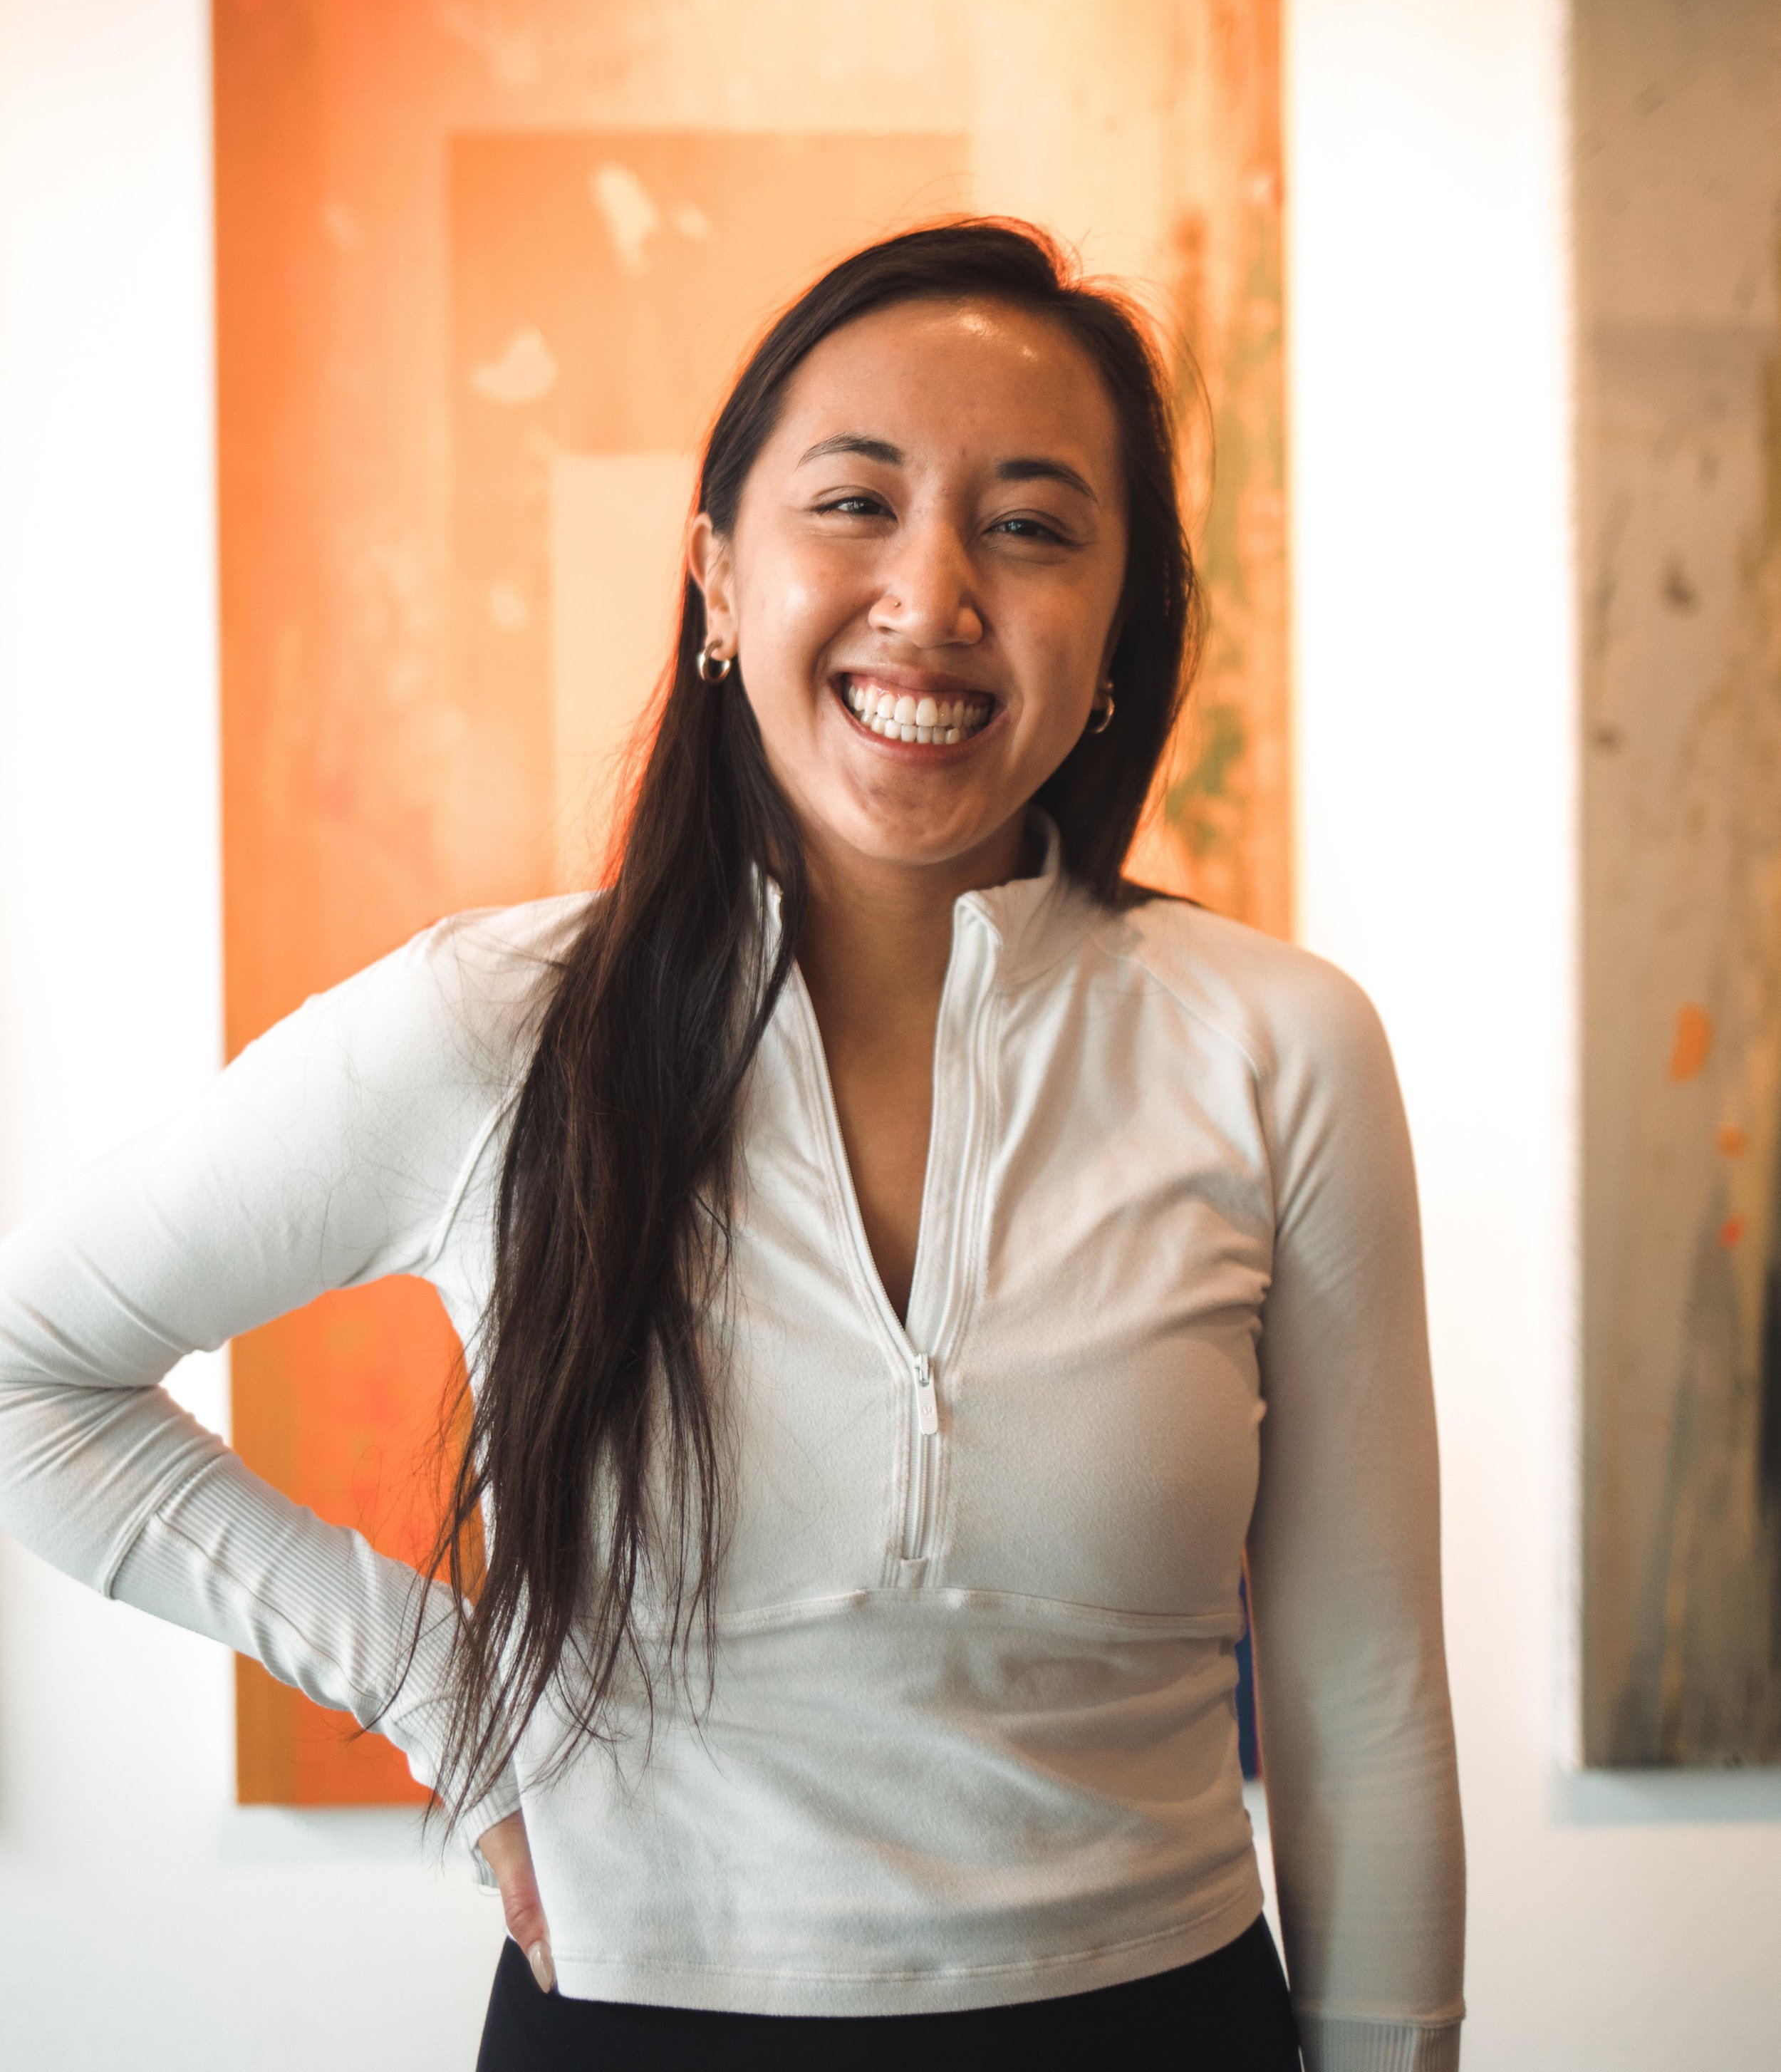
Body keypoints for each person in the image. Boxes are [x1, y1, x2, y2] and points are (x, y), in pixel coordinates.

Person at [0, 222, 1464, 2068]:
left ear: (1118, 625)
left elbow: (1366, 1694)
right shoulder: (495, 1029)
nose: (931, 594)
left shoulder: (1275, 1044)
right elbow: (26, 1371)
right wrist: (449, 1700)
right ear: (714, 579)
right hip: (636, 2026)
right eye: (855, 502)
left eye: (1029, 524)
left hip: (1157, 2022)